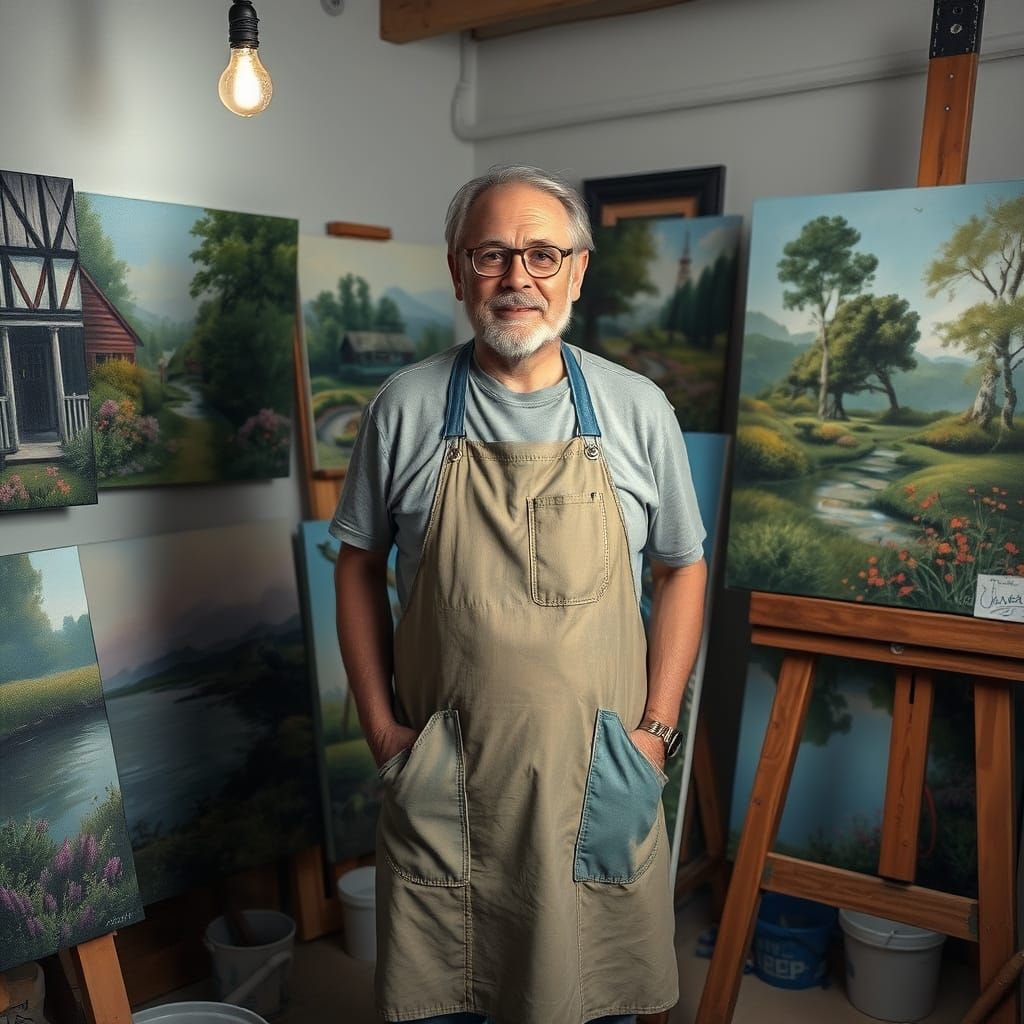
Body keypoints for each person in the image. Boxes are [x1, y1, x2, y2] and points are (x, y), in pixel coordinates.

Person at [332, 165, 707, 1024]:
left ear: (579, 268)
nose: (517, 278)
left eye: (543, 254)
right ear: (459, 270)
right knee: (450, 999)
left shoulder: (637, 408)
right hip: (451, 782)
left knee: (598, 999)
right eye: (493, 253)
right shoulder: (406, 407)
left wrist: (654, 733)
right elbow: (355, 564)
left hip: (599, 777)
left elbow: (682, 567)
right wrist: (383, 732)